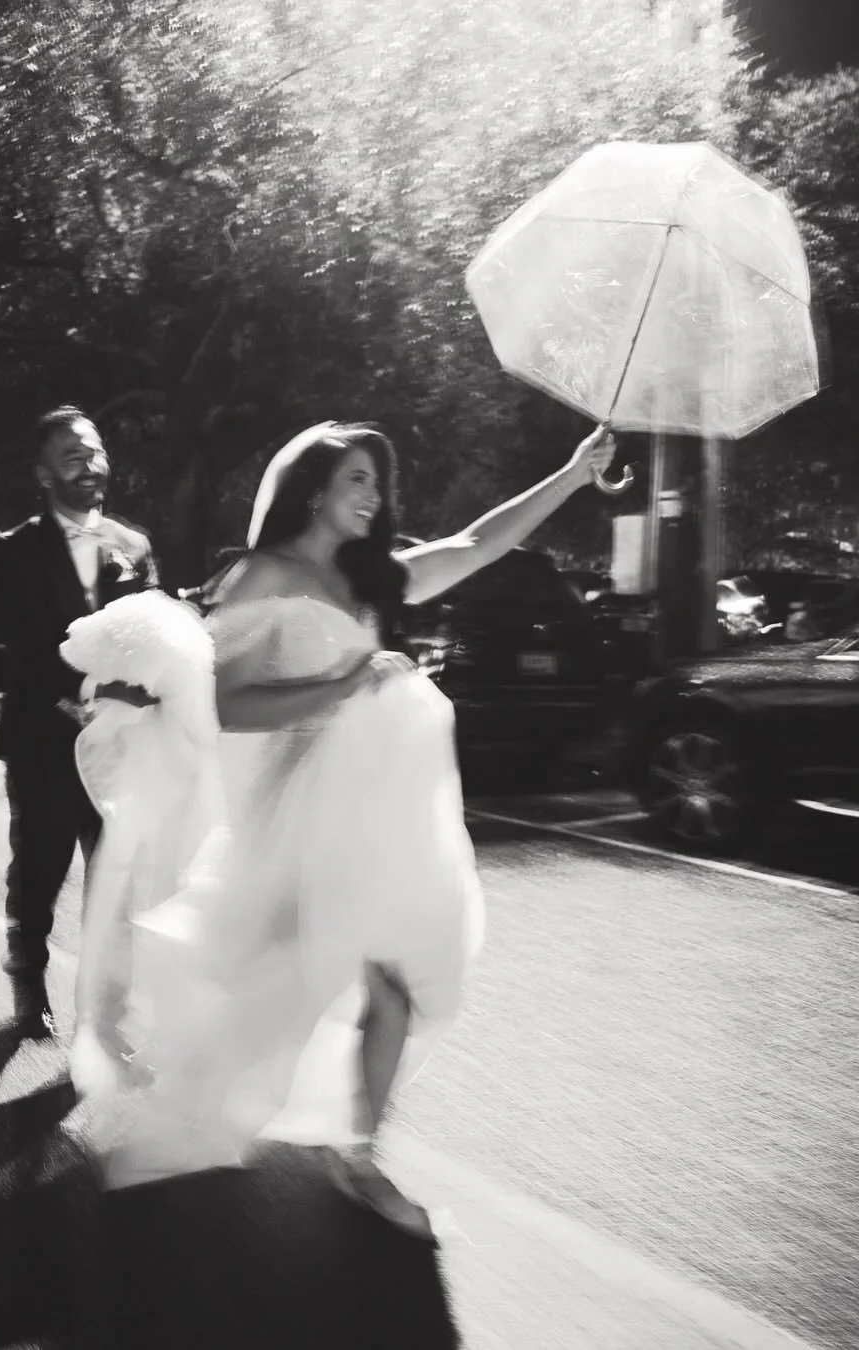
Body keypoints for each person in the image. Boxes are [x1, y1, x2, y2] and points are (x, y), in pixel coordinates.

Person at [74, 418, 615, 1237]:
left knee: (392, 987)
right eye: (359, 479)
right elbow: (223, 704)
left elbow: (473, 543)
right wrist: (346, 684)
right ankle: (199, 1102)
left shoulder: (370, 581)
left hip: (372, 818)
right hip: (292, 821)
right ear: (314, 490)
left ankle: (360, 1157)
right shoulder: (264, 577)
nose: (374, 496)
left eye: (378, 483)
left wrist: (573, 473)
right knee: (272, 987)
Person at [0, 405, 159, 1040]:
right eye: (72, 456)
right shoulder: (13, 551)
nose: (91, 465)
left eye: (95, 452)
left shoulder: (134, 546)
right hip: (44, 742)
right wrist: (82, 699)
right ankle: (28, 976)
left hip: (121, 748)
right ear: (43, 473)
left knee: (117, 884)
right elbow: (30, 647)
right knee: (41, 870)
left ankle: (106, 1017)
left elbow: (149, 634)